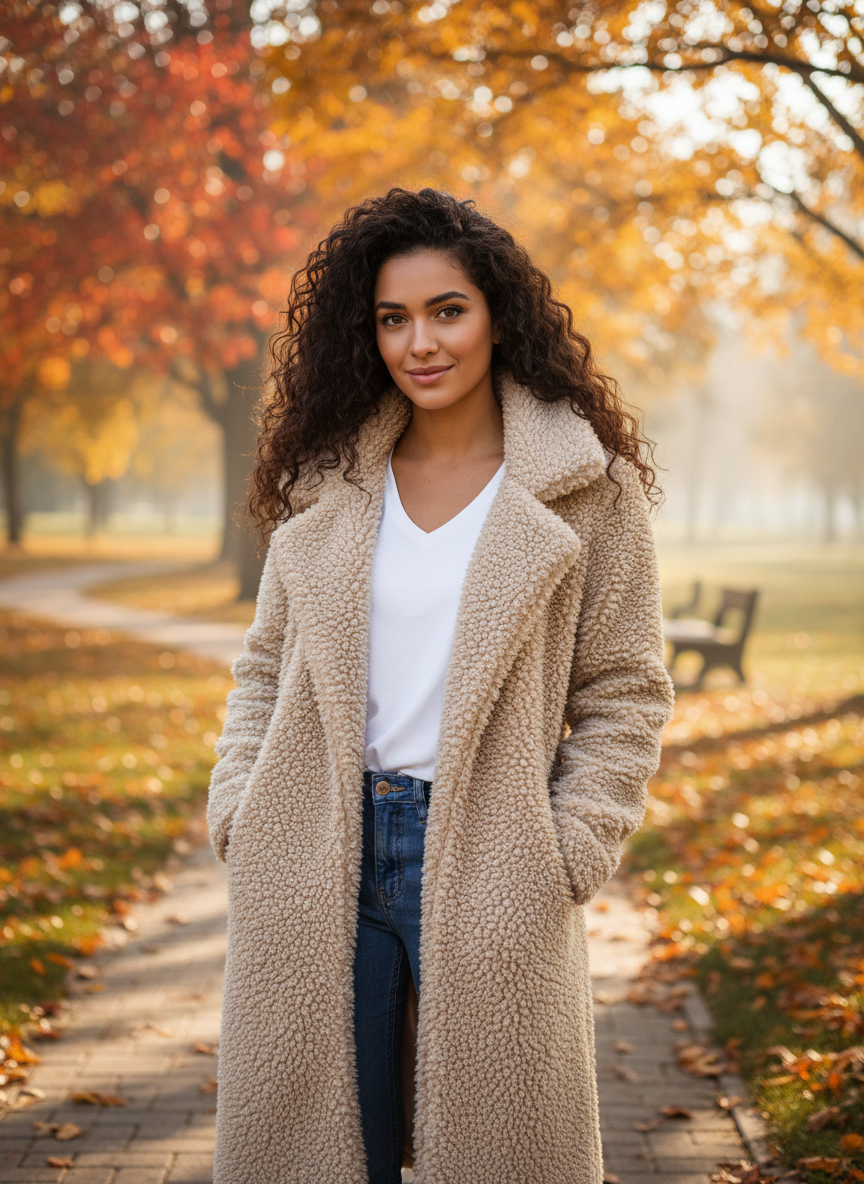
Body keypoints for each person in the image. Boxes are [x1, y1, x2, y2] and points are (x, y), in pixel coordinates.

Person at [206, 187, 674, 1184]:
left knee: (499, 1149)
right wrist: (240, 809)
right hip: (318, 844)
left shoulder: (588, 489)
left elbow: (625, 690)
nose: (420, 342)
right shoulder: (327, 479)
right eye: (393, 318)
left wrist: (570, 847)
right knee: (321, 1154)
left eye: (447, 310)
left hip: (496, 852)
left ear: (499, 316)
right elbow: (265, 666)